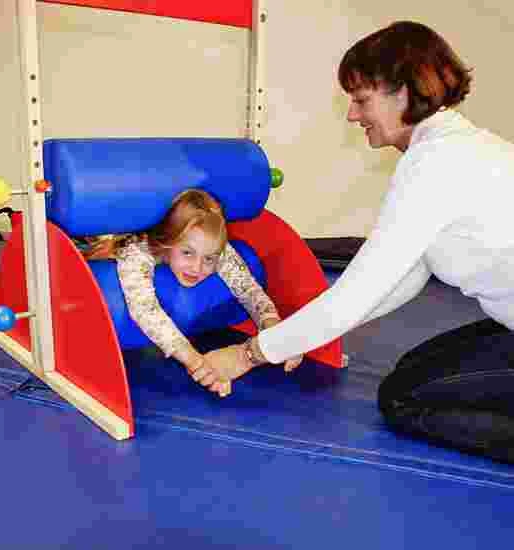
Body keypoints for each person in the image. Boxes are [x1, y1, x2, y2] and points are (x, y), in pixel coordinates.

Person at [203, 21, 514, 462]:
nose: (352, 114)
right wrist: (295, 337)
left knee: (404, 399)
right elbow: (399, 280)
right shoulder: (450, 149)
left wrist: (247, 355)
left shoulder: (437, 163)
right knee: (413, 373)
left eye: (362, 99)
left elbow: (356, 295)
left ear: (403, 94)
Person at [83, 189, 303, 397]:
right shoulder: (139, 251)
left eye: (209, 259)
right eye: (187, 253)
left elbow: (249, 289)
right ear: (169, 242)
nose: (197, 268)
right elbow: (145, 310)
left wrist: (273, 327)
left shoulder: (215, 247)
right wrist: (198, 364)